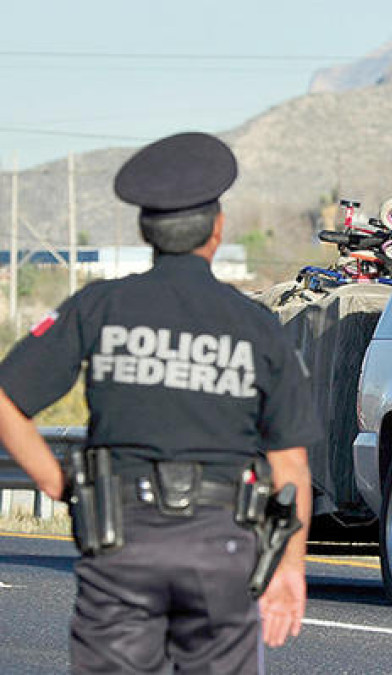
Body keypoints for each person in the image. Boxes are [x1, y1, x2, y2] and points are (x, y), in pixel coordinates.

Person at [0, 132, 322, 672]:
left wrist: (56, 482)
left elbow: (6, 399)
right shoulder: (256, 326)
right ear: (216, 232)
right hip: (222, 548)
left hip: (120, 538)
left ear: (145, 231)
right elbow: (290, 463)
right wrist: (290, 566)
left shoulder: (99, 306)